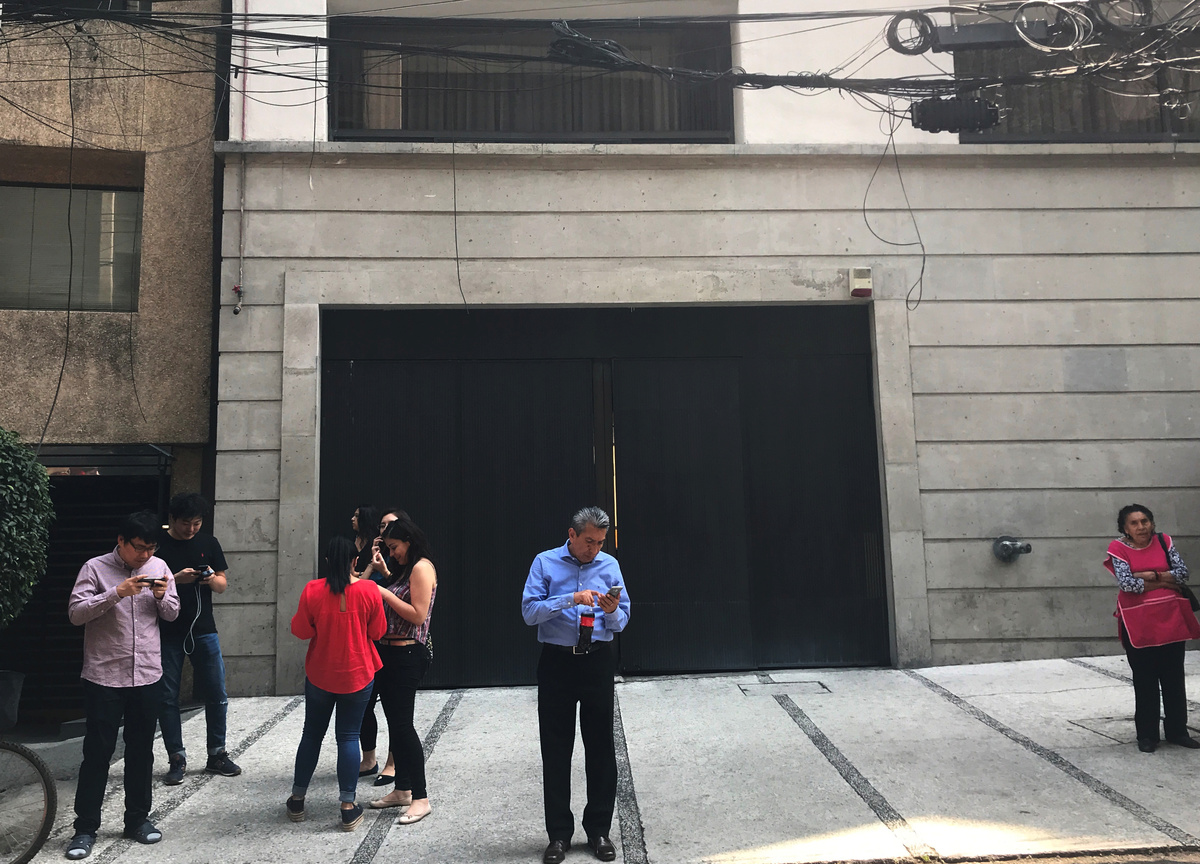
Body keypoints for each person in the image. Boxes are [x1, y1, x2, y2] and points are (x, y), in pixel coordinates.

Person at [65, 511, 181, 860]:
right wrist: (115, 593)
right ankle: (85, 828)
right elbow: (76, 613)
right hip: (104, 675)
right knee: (97, 753)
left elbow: (172, 613)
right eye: (139, 547)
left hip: (147, 674)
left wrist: (162, 596)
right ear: (121, 541)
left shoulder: (160, 567)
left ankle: (137, 820)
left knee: (141, 751)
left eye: (151, 548)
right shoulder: (94, 568)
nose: (145, 555)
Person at [522, 507, 631, 864]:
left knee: (600, 747)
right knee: (556, 748)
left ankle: (599, 830)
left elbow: (622, 621)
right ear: (571, 534)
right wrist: (571, 598)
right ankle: (558, 835)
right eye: (588, 542)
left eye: (600, 543)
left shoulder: (609, 566)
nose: (593, 550)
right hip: (557, 662)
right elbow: (529, 612)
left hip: (597, 660)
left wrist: (611, 610)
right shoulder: (545, 563)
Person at [287, 536, 386, 831]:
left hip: (320, 674)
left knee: (311, 735)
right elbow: (378, 631)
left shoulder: (312, 589)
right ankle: (347, 807)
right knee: (348, 737)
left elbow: (301, 630)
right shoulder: (369, 590)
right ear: (355, 561)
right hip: (358, 674)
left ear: (327, 561)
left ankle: (297, 799)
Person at [155, 492, 241, 785]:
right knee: (167, 697)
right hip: (166, 631)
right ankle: (176, 758)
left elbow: (222, 584)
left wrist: (210, 579)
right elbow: (146, 585)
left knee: (216, 692)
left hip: (204, 628)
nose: (191, 529)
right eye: (185, 523)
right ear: (172, 519)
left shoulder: (209, 543)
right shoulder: (158, 545)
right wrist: (175, 579)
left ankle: (217, 754)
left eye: (197, 523)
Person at [1105, 503, 1200, 753]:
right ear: (1125, 528)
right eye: (1134, 523)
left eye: (1145, 521)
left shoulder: (1164, 542)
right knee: (1145, 680)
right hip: (1138, 623)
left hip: (1171, 620)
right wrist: (1164, 579)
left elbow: (1182, 574)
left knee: (1174, 678)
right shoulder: (1117, 549)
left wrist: (1148, 576)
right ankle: (1147, 736)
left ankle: (1178, 731)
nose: (1141, 527)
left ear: (1152, 523)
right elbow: (1127, 584)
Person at [368, 514, 437, 823]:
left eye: (395, 546)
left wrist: (383, 592)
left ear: (408, 541)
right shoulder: (405, 568)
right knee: (396, 725)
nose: (392, 552)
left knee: (404, 727)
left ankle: (420, 797)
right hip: (390, 653)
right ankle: (403, 789)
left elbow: (418, 615)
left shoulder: (422, 567)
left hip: (408, 653)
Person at [358, 506, 405, 785]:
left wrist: (385, 572)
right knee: (365, 701)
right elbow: (357, 588)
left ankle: (393, 762)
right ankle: (369, 758)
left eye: (391, 525)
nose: (385, 530)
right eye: (382, 526)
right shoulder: (376, 554)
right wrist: (371, 564)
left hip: (398, 639)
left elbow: (402, 593)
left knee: (394, 706)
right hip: (372, 638)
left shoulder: (407, 560)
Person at [351, 505, 382, 575]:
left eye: (357, 516)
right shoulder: (352, 539)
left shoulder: (376, 542)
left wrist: (357, 574)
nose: (352, 519)